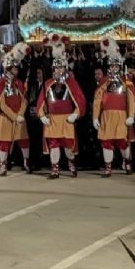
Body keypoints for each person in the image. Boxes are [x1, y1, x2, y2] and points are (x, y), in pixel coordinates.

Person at [36, 40, 86, 179]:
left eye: (61, 68)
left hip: (66, 119)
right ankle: (55, 169)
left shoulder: (71, 83)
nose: (58, 71)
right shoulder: (47, 83)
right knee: (53, 145)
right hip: (52, 120)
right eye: (56, 68)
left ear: (65, 69)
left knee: (68, 146)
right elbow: (41, 102)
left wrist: (75, 115)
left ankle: (71, 163)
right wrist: (42, 116)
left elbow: (80, 100)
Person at [92, 37, 135, 177]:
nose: (114, 68)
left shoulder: (126, 82)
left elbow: (132, 101)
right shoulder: (104, 82)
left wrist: (131, 116)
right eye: (112, 66)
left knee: (123, 142)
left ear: (120, 67)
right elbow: (97, 100)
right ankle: (108, 167)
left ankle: (126, 161)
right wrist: (95, 117)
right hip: (106, 117)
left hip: (122, 117)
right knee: (106, 142)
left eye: (116, 66)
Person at [0, 43, 31, 176]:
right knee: (4, 143)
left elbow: (24, 100)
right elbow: (1, 104)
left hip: (19, 118)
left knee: (24, 141)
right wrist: (14, 116)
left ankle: (26, 162)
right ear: (8, 69)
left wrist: (20, 114)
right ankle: (3, 166)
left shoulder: (19, 83)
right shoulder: (1, 84)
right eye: (14, 69)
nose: (17, 71)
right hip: (6, 118)